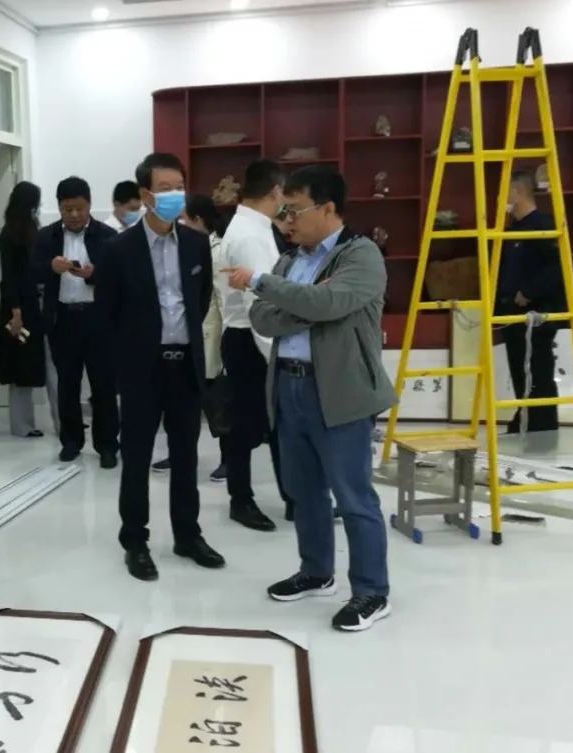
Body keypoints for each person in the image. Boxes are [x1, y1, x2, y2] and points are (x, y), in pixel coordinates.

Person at [225, 164, 395, 632]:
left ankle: (372, 591)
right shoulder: (290, 260)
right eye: (282, 212)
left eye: (294, 210)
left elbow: (328, 302)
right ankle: (317, 571)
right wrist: (307, 304)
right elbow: (262, 318)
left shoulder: (360, 255)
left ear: (327, 208)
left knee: (353, 497)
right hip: (288, 385)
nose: (285, 221)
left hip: (339, 391)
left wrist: (267, 285)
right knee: (305, 493)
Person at [96, 152, 225, 582]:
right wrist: (126, 364)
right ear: (146, 194)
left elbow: (200, 298)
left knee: (186, 456)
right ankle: (135, 540)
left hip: (184, 365)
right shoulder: (118, 250)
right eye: (165, 189)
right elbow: (107, 314)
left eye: (179, 187)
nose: (174, 195)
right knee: (136, 457)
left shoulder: (195, 243)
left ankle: (188, 535)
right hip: (141, 370)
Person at [217, 160, 291, 532]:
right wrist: (276, 353)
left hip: (254, 338)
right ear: (276, 191)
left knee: (280, 425)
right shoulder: (249, 235)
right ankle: (241, 500)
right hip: (252, 340)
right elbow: (259, 303)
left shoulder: (254, 228)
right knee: (245, 426)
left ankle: (295, 497)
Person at [33, 176, 120, 466]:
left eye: (79, 208)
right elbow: (31, 273)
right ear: (59, 207)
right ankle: (71, 441)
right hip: (63, 320)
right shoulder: (45, 237)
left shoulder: (108, 236)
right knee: (67, 385)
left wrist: (94, 275)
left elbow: (120, 281)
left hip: (99, 321)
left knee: (104, 386)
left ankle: (107, 445)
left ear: (89, 205)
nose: (73, 215)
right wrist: (50, 267)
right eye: (67, 209)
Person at [151, 194, 227, 482]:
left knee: (217, 403)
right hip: (180, 337)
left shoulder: (217, 250)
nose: (180, 223)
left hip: (210, 335)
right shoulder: (180, 247)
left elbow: (217, 298)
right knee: (180, 403)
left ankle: (228, 459)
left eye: (184, 218)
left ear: (197, 219)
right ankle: (180, 453)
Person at [497, 170, 565, 438]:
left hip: (536, 314)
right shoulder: (512, 229)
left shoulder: (543, 225)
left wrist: (529, 291)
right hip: (513, 315)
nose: (501, 199)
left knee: (538, 370)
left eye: (505, 192)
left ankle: (542, 427)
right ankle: (525, 418)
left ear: (517, 192)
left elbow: (556, 268)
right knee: (520, 370)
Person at [0, 181, 58, 438]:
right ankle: (22, 425)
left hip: (38, 303)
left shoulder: (36, 231)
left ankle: (63, 421)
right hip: (19, 308)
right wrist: (16, 312)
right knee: (21, 368)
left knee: (51, 363)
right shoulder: (9, 235)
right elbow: (9, 276)